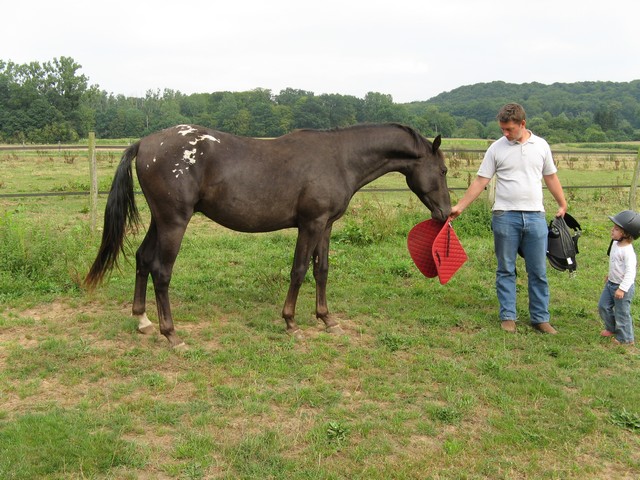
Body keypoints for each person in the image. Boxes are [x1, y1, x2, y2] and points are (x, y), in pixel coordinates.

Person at [450, 103, 567, 334]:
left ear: (522, 124)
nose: (505, 133)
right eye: (502, 129)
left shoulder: (541, 146)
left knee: (538, 271)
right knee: (505, 268)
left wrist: (562, 203)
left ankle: (540, 318)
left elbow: (551, 177)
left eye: (509, 129)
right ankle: (508, 316)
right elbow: (481, 180)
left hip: (535, 216)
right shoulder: (496, 148)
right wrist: (460, 207)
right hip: (504, 216)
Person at [598, 210, 639, 345]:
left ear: (626, 234)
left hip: (622, 288)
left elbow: (630, 273)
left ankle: (626, 338)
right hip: (611, 283)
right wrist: (610, 275)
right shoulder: (615, 244)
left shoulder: (628, 252)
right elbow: (615, 263)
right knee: (603, 306)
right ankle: (612, 328)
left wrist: (622, 289)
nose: (612, 230)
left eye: (616, 229)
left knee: (622, 313)